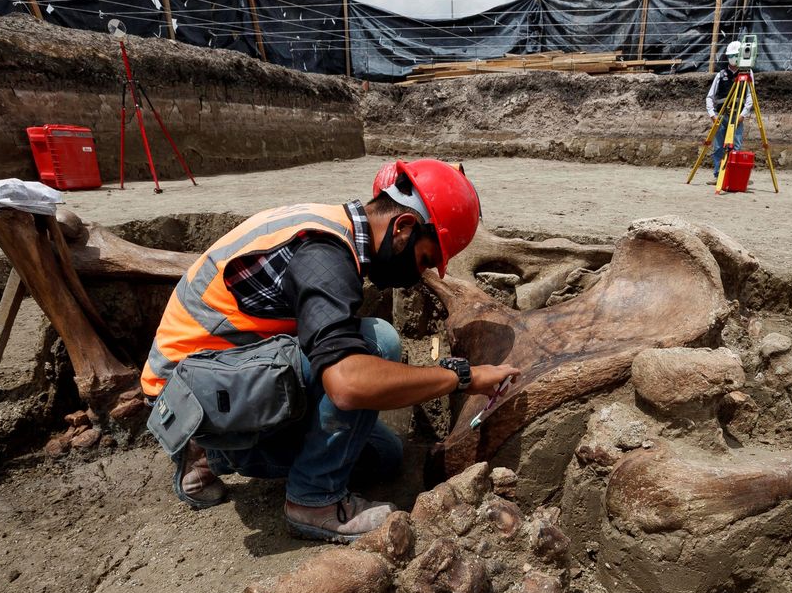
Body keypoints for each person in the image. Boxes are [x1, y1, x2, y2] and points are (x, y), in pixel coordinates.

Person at [140, 159, 520, 542]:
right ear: (403, 228)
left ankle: (214, 454)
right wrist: (461, 378)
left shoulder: (330, 226)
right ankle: (314, 499)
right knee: (378, 342)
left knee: (382, 455)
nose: (417, 275)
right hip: (189, 393)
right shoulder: (324, 255)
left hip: (210, 378)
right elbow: (347, 383)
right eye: (423, 260)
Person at [705, 40, 748, 183]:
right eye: (730, 55)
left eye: (735, 55)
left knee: (735, 147)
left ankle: (732, 177)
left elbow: (750, 97)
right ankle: (718, 176)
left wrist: (743, 114)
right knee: (718, 147)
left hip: (737, 117)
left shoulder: (746, 74)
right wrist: (712, 114)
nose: (732, 58)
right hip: (722, 116)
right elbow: (710, 96)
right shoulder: (721, 74)